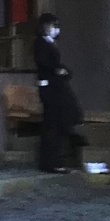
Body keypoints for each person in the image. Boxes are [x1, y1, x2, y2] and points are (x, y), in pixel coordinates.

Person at [34, 12, 83, 172]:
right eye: (52, 25)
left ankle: (56, 160)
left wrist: (63, 71)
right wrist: (58, 70)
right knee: (53, 125)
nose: (55, 29)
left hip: (55, 87)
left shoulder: (50, 43)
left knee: (59, 122)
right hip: (50, 88)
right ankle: (51, 162)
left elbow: (57, 66)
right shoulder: (40, 43)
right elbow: (47, 64)